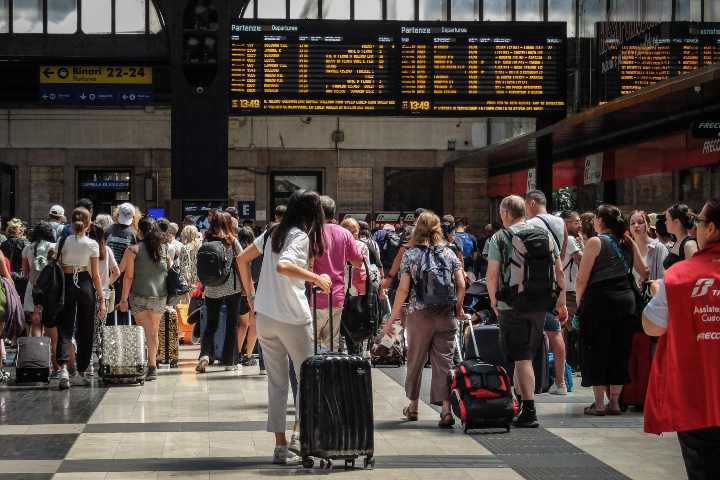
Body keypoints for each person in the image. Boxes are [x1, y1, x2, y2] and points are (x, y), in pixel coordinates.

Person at [237, 189, 331, 466]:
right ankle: (298, 437)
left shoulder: (271, 233)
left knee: (277, 383)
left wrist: (251, 295)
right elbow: (285, 265)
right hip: (293, 317)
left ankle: (280, 447)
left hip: (264, 315)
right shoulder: (299, 236)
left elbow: (241, 259)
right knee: (307, 380)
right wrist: (317, 278)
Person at [642, 196, 720, 480]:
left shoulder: (679, 277)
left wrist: (658, 294)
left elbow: (652, 326)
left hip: (698, 400)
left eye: (699, 221)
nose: (696, 227)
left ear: (710, 229)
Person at [486, 195, 567, 428]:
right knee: (526, 355)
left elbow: (492, 275)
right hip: (540, 304)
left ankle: (529, 410)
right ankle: (519, 404)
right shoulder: (545, 236)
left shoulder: (500, 237)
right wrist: (560, 302)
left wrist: (493, 302)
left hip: (511, 305)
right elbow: (559, 271)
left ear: (505, 214)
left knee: (521, 358)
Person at [384, 211, 465, 427]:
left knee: (416, 360)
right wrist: (457, 307)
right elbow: (462, 283)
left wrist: (392, 318)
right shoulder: (449, 253)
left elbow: (402, 290)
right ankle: (446, 410)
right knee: (444, 364)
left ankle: (413, 406)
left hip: (419, 315)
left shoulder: (411, 254)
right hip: (446, 314)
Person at [574, 204, 648, 416]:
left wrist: (580, 304)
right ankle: (614, 402)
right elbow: (644, 271)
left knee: (595, 350)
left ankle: (598, 404)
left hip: (599, 301)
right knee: (619, 351)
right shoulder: (627, 241)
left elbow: (581, 279)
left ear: (600, 221)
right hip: (625, 302)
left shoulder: (595, 242)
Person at [525, 190, 570, 396]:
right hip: (554, 283)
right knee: (555, 333)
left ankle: (530, 382)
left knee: (530, 333)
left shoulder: (530, 225)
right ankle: (560, 382)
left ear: (532, 203)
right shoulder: (560, 223)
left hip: (536, 284)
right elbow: (561, 253)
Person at [56, 207, 106, 389]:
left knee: (65, 327)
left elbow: (57, 264)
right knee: (86, 328)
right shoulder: (92, 244)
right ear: (88, 223)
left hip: (67, 283)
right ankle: (82, 369)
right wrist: (101, 298)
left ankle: (63, 368)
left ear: (71, 221)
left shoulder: (63, 241)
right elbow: (96, 275)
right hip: (84, 282)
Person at [118, 216, 170, 382]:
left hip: (139, 296)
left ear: (139, 231)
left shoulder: (133, 250)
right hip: (160, 297)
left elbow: (128, 276)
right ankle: (152, 364)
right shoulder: (164, 250)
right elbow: (168, 270)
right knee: (153, 331)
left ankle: (148, 364)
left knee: (145, 331)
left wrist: (124, 299)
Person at [195, 212, 247, 373]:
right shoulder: (232, 241)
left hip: (211, 288)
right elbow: (242, 262)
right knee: (232, 324)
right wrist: (246, 287)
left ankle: (205, 354)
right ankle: (229, 361)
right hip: (232, 287)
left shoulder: (206, 240)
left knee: (211, 323)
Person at [312, 196, 363, 352]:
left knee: (309, 345)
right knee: (331, 345)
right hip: (336, 298)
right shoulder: (345, 234)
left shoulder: (311, 232)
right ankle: (329, 375)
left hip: (313, 296)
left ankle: (312, 376)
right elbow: (358, 262)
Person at [88, 223, 120, 365]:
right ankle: (101, 355)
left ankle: (87, 355)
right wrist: (107, 283)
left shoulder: (87, 250)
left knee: (88, 325)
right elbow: (117, 272)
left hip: (88, 291)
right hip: (105, 294)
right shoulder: (106, 250)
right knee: (101, 326)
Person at [22, 223, 56, 338]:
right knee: (49, 324)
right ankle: (51, 354)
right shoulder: (54, 247)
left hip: (33, 287)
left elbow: (25, 271)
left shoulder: (28, 248)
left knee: (36, 323)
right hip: (50, 289)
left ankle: (38, 353)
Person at [559, 211, 583, 372]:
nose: (580, 225)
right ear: (566, 224)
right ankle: (578, 362)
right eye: (576, 222)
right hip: (572, 291)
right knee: (579, 327)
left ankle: (565, 365)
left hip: (563, 290)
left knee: (564, 331)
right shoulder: (571, 239)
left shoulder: (559, 238)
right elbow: (582, 260)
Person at [236, 226, 259, 367]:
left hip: (239, 293)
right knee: (254, 325)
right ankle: (248, 356)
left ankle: (237, 354)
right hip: (253, 291)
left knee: (243, 325)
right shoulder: (254, 252)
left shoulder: (237, 252)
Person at [629, 210, 668, 283]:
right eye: (632, 223)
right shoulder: (628, 248)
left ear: (648, 225)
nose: (636, 225)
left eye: (640, 222)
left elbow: (663, 278)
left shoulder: (658, 247)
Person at [664, 203, 699, 269]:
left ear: (677, 222)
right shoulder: (678, 242)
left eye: (667, 219)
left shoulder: (689, 244)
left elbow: (695, 272)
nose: (665, 222)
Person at [2, 218, 30, 300]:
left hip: (6, 274)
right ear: (20, 231)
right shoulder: (25, 243)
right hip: (21, 276)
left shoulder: (3, 244)